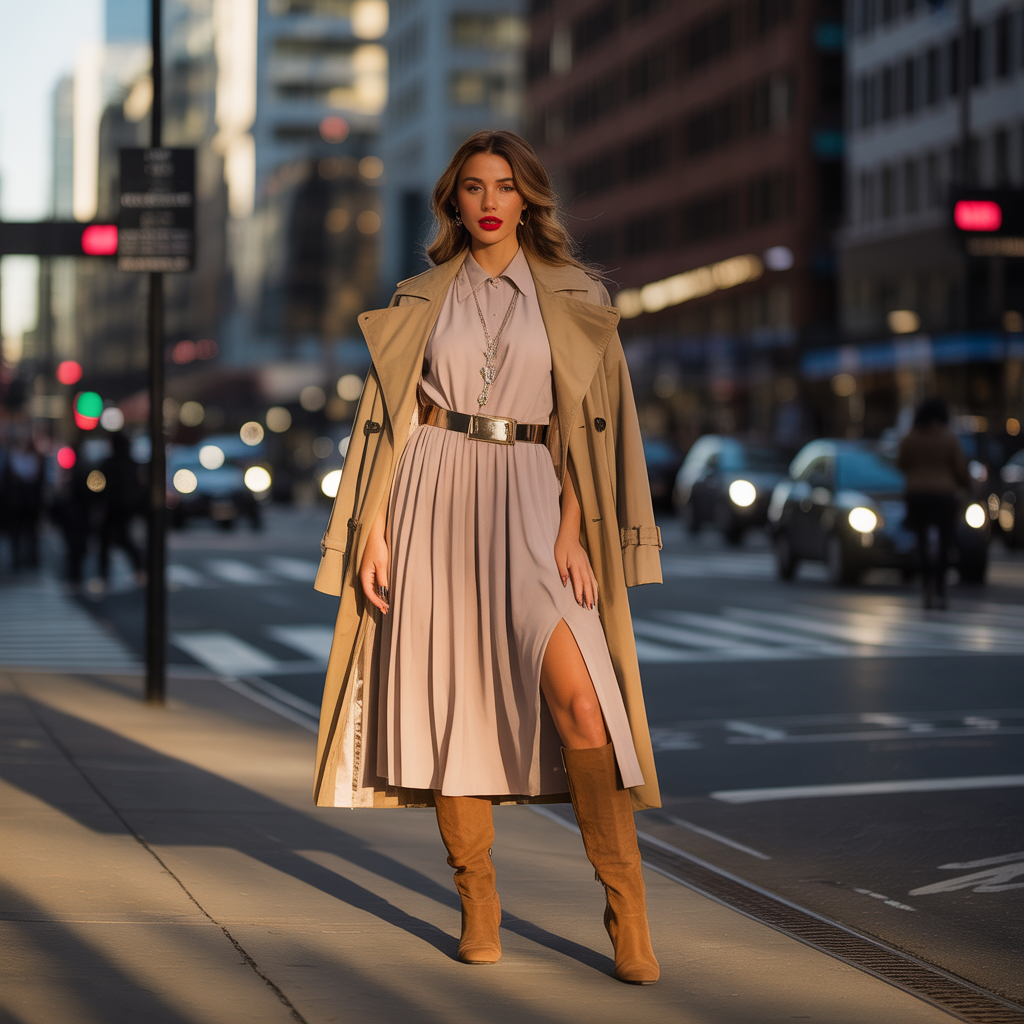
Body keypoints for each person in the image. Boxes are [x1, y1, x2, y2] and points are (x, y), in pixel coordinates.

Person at [312, 130, 663, 984]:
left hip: (537, 498)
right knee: (453, 706)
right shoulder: (418, 297)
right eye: (473, 187)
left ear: (529, 198)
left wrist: (576, 527)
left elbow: (594, 422)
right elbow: (391, 426)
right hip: (432, 494)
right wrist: (376, 531)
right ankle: (478, 901)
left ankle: (627, 910)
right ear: (453, 203)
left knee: (585, 703)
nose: (490, 200)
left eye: (505, 185)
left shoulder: (577, 294)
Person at [898, 397, 970, 609]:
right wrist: (964, 485)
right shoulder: (949, 439)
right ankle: (940, 588)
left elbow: (902, 463)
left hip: (917, 494)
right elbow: (960, 469)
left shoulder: (911, 438)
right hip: (944, 494)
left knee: (920, 542)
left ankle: (926, 585)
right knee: (946, 542)